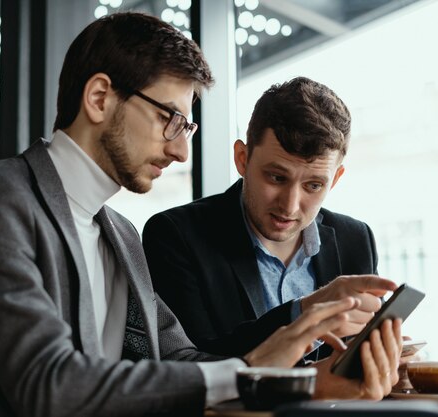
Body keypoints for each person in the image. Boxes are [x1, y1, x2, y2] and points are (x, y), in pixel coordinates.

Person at [0, 14, 400, 417]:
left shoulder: (119, 235)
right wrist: (253, 366)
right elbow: (50, 385)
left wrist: (309, 382)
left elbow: (180, 361)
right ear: (99, 98)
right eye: (170, 119)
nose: (182, 150)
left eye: (186, 126)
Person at [143, 76, 397, 360]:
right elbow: (189, 365)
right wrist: (301, 315)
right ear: (242, 158)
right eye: (276, 177)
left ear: (335, 179)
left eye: (313, 185)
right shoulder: (176, 236)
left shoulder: (356, 239)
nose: (290, 205)